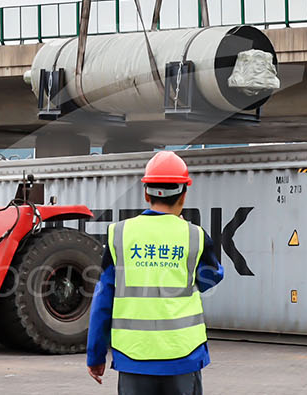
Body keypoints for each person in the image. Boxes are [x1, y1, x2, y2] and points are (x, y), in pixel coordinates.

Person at [87, 150, 224, 394]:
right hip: (183, 356)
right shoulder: (195, 236)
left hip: (134, 357)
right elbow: (211, 277)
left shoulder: (119, 235)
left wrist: (95, 355)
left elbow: (103, 299)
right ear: (183, 194)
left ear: (146, 192)